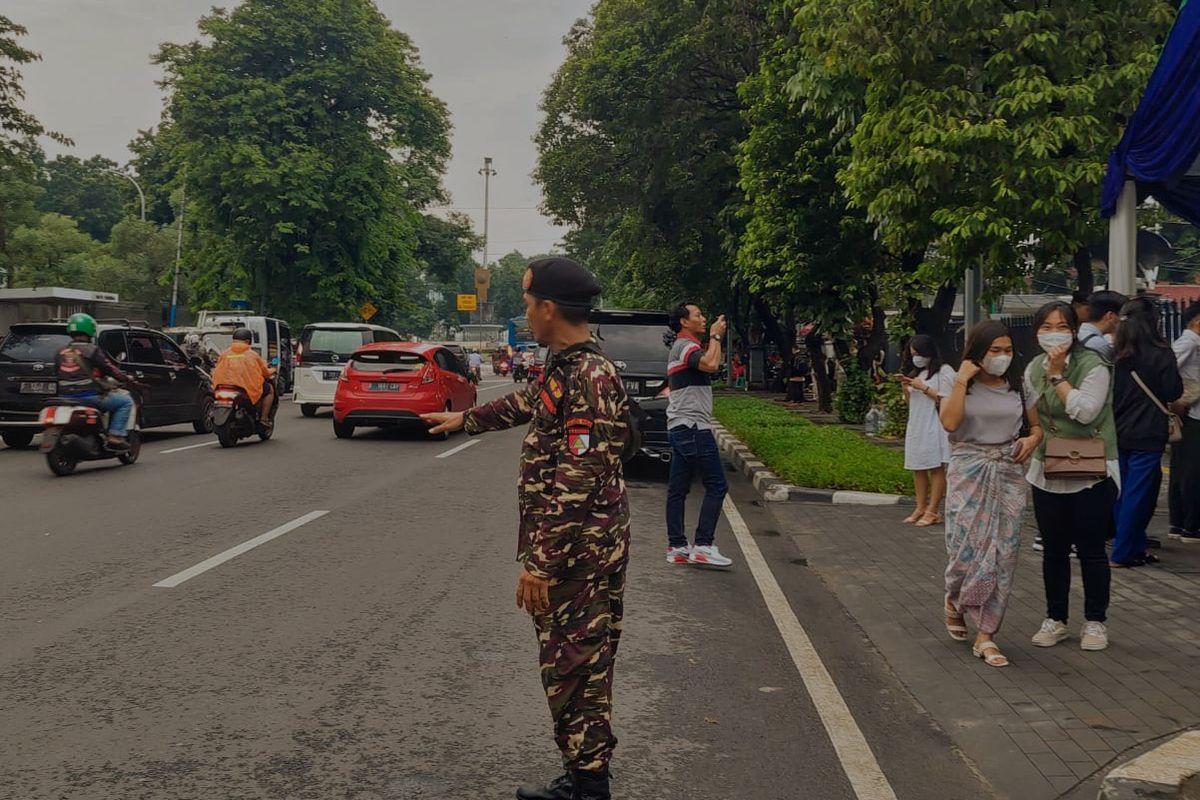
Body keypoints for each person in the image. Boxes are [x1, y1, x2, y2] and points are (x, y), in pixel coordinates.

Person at [420, 257, 629, 800]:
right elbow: (528, 402)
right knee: (572, 665)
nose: (526, 313)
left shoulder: (589, 375)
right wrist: (465, 419)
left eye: (530, 305)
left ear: (550, 308)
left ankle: (588, 785)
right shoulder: (567, 367)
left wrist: (542, 562)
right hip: (578, 552)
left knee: (573, 667)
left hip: (578, 556)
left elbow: (578, 478)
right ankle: (585, 777)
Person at [938, 321, 1042, 667]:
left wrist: (1031, 439)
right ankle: (954, 599)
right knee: (964, 551)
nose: (1001, 357)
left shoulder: (1019, 386)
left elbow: (1037, 427)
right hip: (968, 470)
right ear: (977, 351)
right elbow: (950, 424)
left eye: (1007, 350)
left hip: (1008, 472)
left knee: (1002, 554)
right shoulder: (959, 385)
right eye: (994, 350)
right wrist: (961, 379)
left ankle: (986, 634)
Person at [1025, 301, 1119, 652]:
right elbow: (1032, 416)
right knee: (1054, 549)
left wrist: (1058, 375)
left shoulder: (1094, 365)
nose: (1053, 333)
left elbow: (1084, 412)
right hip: (1047, 469)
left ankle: (1095, 621)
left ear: (1074, 331)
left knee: (1092, 550)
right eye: (1046, 327)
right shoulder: (1032, 367)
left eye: (1061, 326)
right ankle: (1056, 619)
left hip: (1091, 471)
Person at [1110, 298, 1182, 567]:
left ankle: (1135, 546)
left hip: (1118, 430)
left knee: (1123, 491)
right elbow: (1173, 391)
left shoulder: (1114, 354)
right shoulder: (1161, 353)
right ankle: (1122, 552)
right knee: (1138, 494)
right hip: (1148, 433)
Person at [664, 302, 732, 568]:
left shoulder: (682, 347)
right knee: (717, 485)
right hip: (693, 427)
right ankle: (703, 545)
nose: (703, 319)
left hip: (680, 426)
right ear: (684, 321)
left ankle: (678, 546)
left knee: (678, 489)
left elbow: (708, 362)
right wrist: (716, 335)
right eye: (698, 315)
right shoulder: (685, 346)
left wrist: (714, 338)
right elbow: (712, 364)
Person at [54, 313, 137, 450]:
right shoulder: (91, 350)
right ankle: (115, 436)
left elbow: (57, 372)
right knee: (125, 402)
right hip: (88, 396)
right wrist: (126, 379)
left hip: (64, 397)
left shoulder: (60, 351)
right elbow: (109, 369)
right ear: (90, 330)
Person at [899, 335, 955, 527]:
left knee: (936, 466)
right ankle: (920, 506)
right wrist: (906, 387)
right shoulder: (917, 373)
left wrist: (924, 388)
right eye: (913, 354)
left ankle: (933, 510)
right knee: (918, 466)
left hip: (934, 425)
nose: (916, 358)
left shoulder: (944, 372)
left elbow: (948, 398)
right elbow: (909, 401)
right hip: (917, 424)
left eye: (919, 353)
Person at [1170, 302, 1200, 544]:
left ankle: (1180, 523)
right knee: (1191, 469)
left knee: (1183, 469)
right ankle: (1190, 524)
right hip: (1192, 415)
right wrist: (1177, 399)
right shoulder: (1190, 342)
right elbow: (1169, 369)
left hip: (1192, 414)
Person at [212, 328, 276, 427]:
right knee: (270, 390)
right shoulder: (253, 355)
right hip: (245, 388)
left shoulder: (224, 354)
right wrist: (273, 370)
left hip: (222, 386)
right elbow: (265, 372)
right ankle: (264, 418)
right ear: (248, 341)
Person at [1078, 290, 1127, 361]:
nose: (1123, 321)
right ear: (1110, 316)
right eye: (1122, 317)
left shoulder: (1078, 333)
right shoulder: (1100, 345)